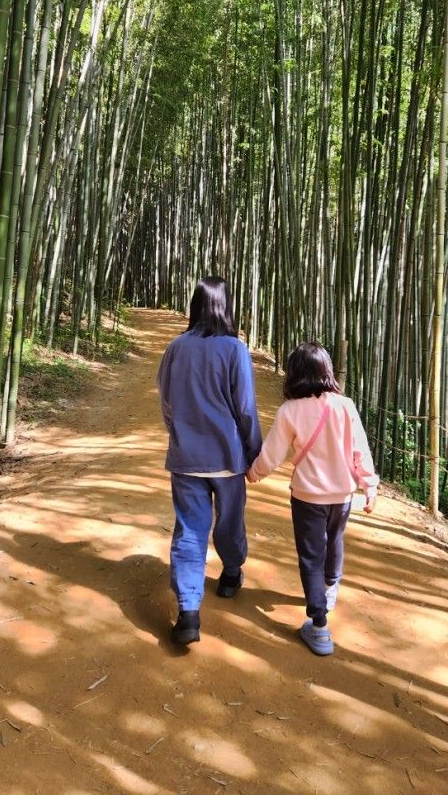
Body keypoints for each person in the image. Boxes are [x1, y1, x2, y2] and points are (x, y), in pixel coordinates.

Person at [247, 342, 378, 656]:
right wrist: (369, 485)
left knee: (311, 555)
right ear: (327, 372)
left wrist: (253, 473)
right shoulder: (345, 406)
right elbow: (360, 449)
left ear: (294, 375)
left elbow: (272, 454)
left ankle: (319, 625)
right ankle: (330, 588)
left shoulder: (290, 411)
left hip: (308, 496)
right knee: (334, 540)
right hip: (343, 494)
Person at [157, 276, 262, 645]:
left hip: (186, 458)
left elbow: (166, 402)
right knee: (230, 523)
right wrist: (254, 452)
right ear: (225, 306)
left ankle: (188, 612)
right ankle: (231, 573)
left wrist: (180, 432)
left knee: (189, 530)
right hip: (228, 458)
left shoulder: (175, 348)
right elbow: (245, 410)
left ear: (196, 305)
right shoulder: (234, 349)